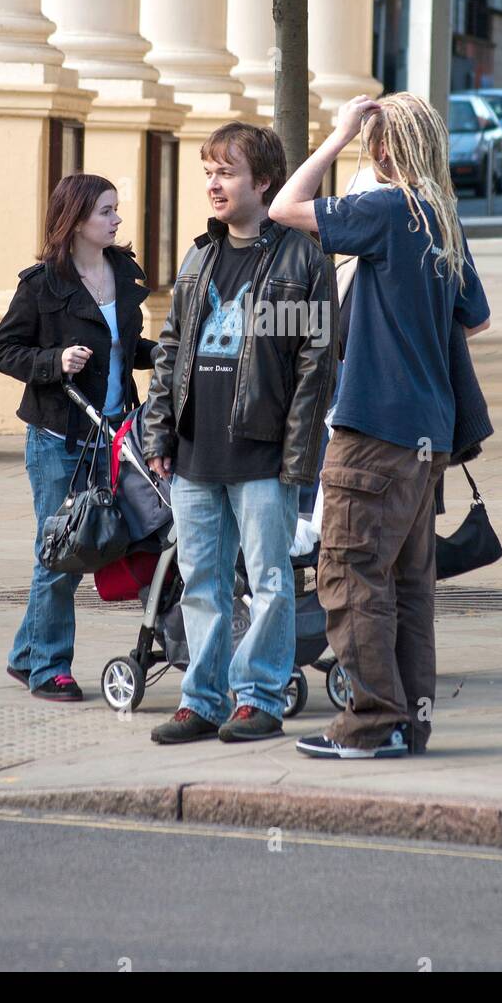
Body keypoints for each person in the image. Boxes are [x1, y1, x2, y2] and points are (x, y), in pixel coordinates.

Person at [269, 93, 491, 759]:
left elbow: (283, 208)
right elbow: (473, 319)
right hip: (428, 432)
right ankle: (405, 723)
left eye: (371, 141)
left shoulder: (389, 209)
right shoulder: (442, 219)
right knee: (406, 586)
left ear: (385, 148)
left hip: (372, 427)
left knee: (346, 575)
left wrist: (334, 136)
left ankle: (369, 724)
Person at [143, 122, 337, 745]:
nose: (213, 184)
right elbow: (171, 349)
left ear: (264, 182)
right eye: (208, 172)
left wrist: (298, 455)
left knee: (270, 580)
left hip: (262, 455)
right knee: (202, 583)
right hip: (196, 452)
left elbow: (317, 364)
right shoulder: (200, 255)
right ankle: (201, 699)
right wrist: (159, 435)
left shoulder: (302, 256)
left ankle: (259, 698)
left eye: (225, 172)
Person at [0, 174, 157, 700]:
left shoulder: (122, 271)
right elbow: (2, 350)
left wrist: (171, 354)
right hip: (59, 437)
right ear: (77, 219)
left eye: (115, 210)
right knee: (62, 551)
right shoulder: (42, 285)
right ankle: (48, 670)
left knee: (89, 544)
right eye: (106, 211)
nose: (116, 220)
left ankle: (25, 655)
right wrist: (52, 362)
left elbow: (126, 347)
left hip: (114, 434)